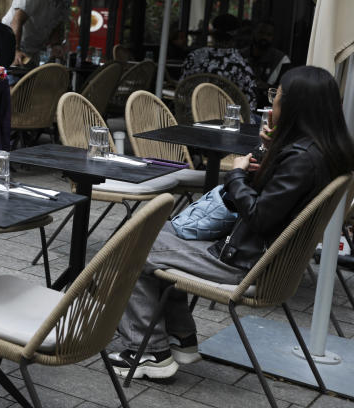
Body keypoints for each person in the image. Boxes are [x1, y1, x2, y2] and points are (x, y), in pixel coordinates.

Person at [109, 66, 354, 380]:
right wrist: (268, 153)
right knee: (161, 233)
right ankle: (180, 338)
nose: (271, 106)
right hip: (262, 256)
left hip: (245, 261)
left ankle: (150, 352)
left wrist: (236, 174)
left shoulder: (301, 160)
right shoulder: (323, 153)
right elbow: (276, 201)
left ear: (295, 107)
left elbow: (259, 215)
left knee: (136, 245)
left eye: (276, 99)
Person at [2, 0, 82, 67]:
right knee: (12, 80)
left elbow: (58, 24)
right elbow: (17, 21)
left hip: (33, 49)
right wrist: (15, 50)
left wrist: (55, 45)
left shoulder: (63, 0)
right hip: (11, 44)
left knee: (33, 81)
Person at [181, 13, 257, 110]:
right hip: (224, 120)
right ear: (235, 36)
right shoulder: (241, 65)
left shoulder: (194, 56)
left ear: (213, 34)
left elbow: (182, 87)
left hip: (191, 114)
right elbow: (250, 104)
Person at [241, 20, 290, 106]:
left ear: (273, 37)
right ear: (254, 33)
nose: (264, 37)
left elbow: (286, 90)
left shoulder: (282, 59)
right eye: (261, 33)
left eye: (269, 35)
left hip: (267, 109)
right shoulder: (240, 55)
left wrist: (267, 87)